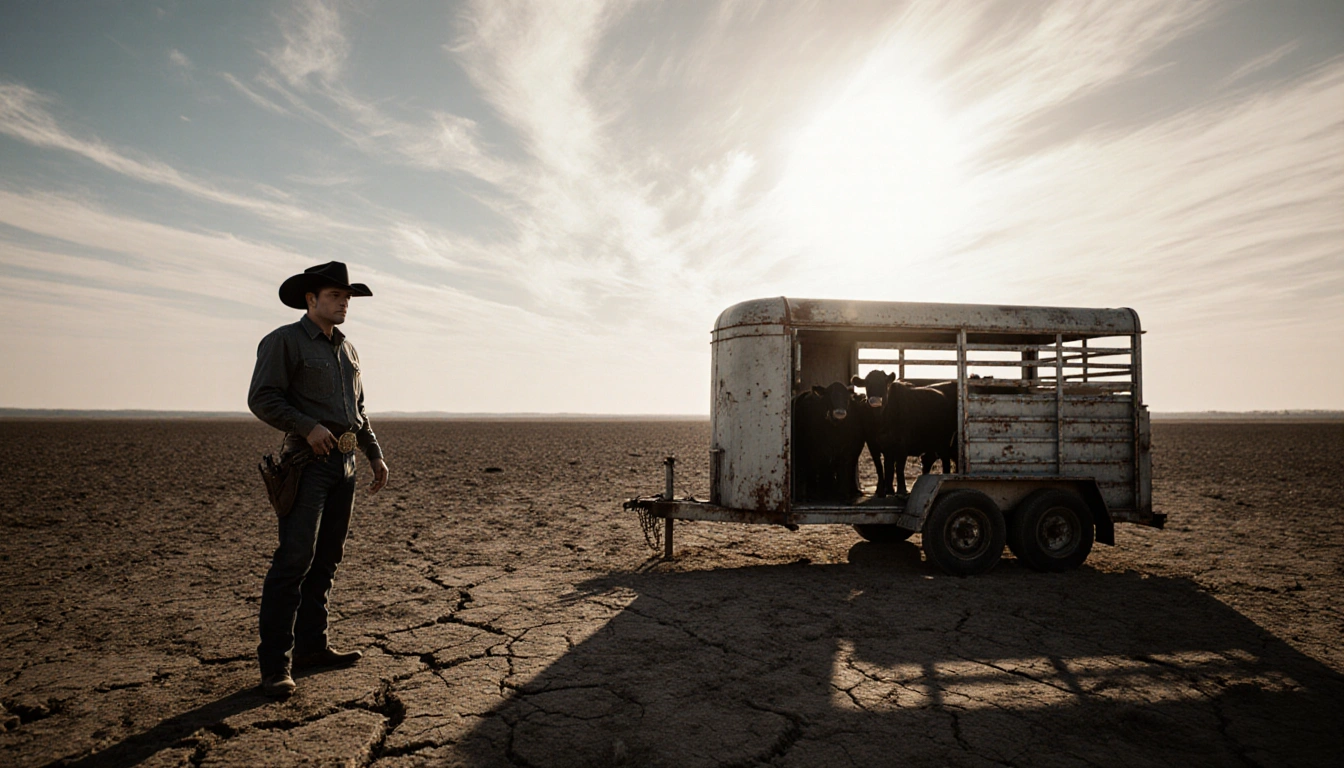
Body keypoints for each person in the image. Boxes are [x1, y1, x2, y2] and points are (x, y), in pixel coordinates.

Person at [247, 261, 390, 697]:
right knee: (293, 562)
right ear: (311, 300)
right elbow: (262, 398)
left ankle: (314, 647)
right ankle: (275, 666)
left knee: (326, 560)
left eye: (347, 297)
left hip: (343, 467)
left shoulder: (347, 350)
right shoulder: (284, 342)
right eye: (335, 296)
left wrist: (374, 454)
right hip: (305, 465)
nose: (344, 303)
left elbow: (358, 411)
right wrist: (306, 425)